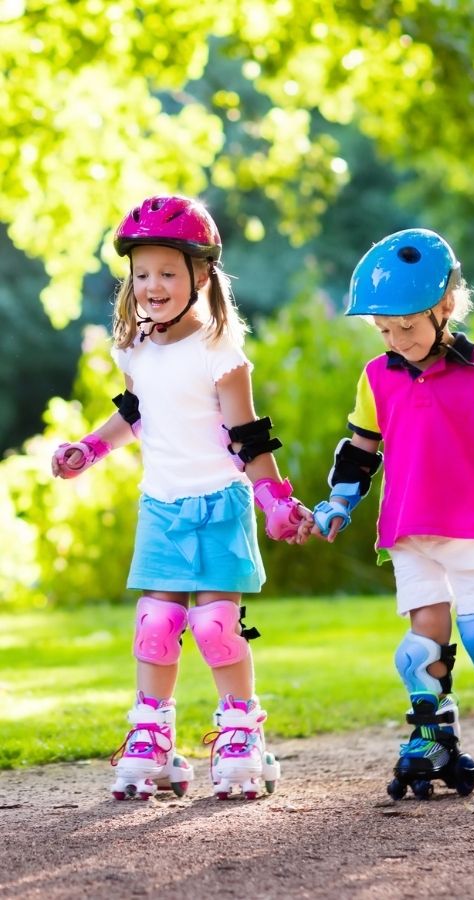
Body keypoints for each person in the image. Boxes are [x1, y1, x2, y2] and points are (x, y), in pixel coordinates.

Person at [52, 195, 313, 801]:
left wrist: (274, 501)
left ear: (201, 275)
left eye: (167, 272)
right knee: (155, 624)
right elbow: (136, 413)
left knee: (217, 625)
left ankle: (240, 731)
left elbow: (247, 437)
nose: (152, 285)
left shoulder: (221, 354)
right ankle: (152, 739)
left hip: (220, 503)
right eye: (141, 273)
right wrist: (90, 449)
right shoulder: (134, 350)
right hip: (161, 506)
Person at [313, 228, 474, 800]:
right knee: (422, 647)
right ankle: (432, 735)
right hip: (408, 529)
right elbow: (360, 450)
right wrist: (339, 502)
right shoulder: (376, 376)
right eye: (385, 330)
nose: (397, 339)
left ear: (444, 305)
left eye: (408, 327)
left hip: (471, 524)